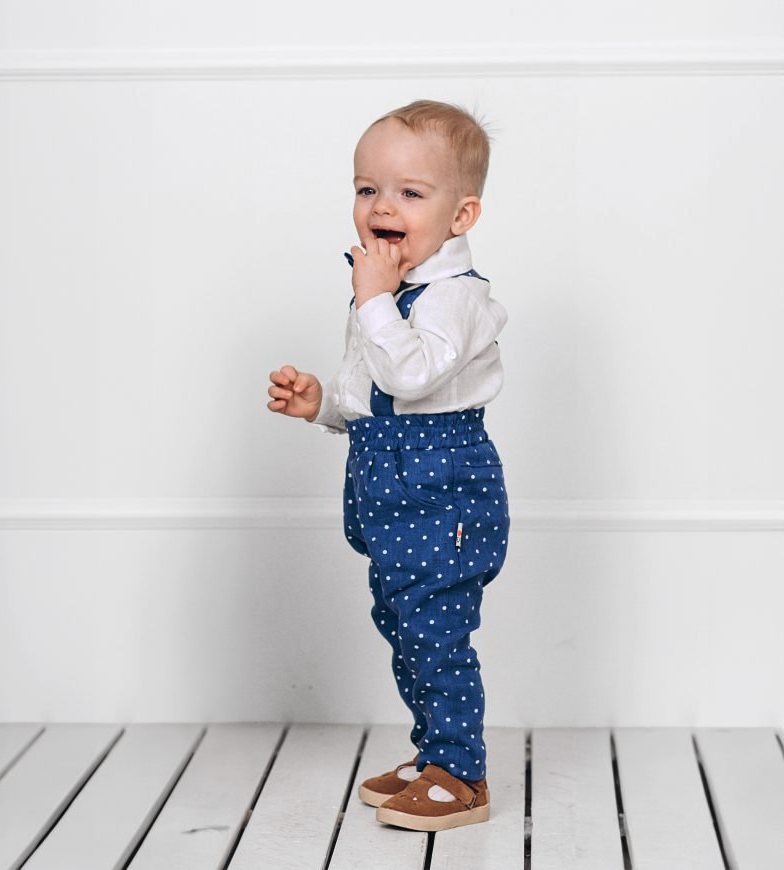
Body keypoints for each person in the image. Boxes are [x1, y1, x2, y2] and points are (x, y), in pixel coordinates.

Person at [267, 100, 510, 832]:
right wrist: (321, 405)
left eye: (410, 192)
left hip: (444, 489)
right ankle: (433, 753)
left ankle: (462, 775)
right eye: (367, 187)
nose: (381, 205)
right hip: (388, 482)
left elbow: (414, 377)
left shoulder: (456, 300)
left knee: (436, 632)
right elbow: (378, 400)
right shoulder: (387, 291)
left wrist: (373, 302)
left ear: (461, 215)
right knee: (404, 625)